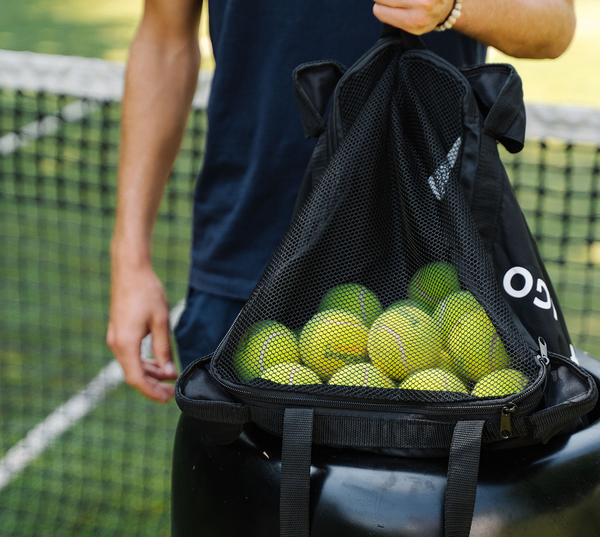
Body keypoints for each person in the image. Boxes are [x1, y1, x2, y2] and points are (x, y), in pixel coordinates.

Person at [106, 0, 576, 403]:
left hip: (432, 275)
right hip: (244, 260)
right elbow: (164, 40)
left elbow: (554, 23)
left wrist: (454, 7)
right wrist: (130, 260)